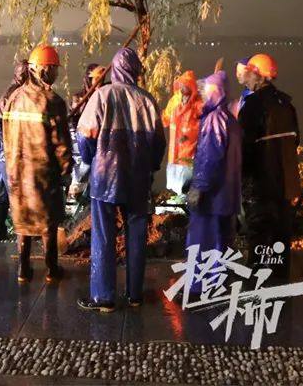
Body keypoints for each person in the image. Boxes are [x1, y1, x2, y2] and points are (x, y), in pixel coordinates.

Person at [75, 47, 166, 312]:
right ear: (136, 71)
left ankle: (104, 297)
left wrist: (91, 159)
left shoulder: (102, 96)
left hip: (105, 178)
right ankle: (135, 294)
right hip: (138, 178)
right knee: (136, 235)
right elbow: (158, 143)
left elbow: (84, 136)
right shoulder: (147, 100)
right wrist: (150, 167)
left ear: (114, 70)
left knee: (103, 236)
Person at [2, 44, 72, 284]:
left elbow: (5, 134)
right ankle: (52, 269)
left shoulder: (13, 98)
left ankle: (23, 270)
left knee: (23, 220)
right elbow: (61, 145)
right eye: (55, 69)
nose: (57, 74)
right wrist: (66, 171)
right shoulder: (53, 101)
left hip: (16, 172)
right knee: (47, 222)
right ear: (44, 69)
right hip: (43, 172)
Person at [239, 53, 301, 278]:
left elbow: (243, 150)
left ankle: (257, 288)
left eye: (248, 73)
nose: (245, 78)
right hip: (285, 189)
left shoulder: (252, 107)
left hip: (260, 188)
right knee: (281, 240)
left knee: (259, 241)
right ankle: (280, 286)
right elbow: (295, 141)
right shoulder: (287, 105)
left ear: (258, 75)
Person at [185, 70, 242, 297]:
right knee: (222, 243)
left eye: (204, 90)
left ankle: (200, 289)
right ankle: (218, 287)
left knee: (203, 242)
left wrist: (199, 186)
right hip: (227, 195)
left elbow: (210, 156)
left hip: (212, 197)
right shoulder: (230, 119)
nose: (200, 94)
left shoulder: (214, 119)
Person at [0, 59, 29, 241]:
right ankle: (23, 233)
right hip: (6, 151)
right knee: (15, 193)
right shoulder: (17, 95)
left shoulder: (10, 91)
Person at [162, 70, 202, 199]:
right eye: (182, 85)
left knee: (187, 182)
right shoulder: (175, 101)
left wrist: (189, 133)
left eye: (186, 85)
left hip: (189, 150)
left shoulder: (197, 103)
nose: (183, 88)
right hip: (174, 150)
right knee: (176, 183)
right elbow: (165, 119)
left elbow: (203, 121)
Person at [68, 64, 107, 199]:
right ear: (89, 79)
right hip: (80, 135)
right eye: (96, 79)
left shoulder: (104, 94)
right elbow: (74, 118)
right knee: (83, 164)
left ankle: (91, 195)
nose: (99, 82)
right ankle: (76, 190)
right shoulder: (79, 97)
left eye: (101, 79)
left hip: (98, 136)